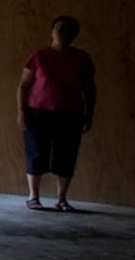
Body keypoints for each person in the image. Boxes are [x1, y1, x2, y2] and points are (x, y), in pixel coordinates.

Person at [18, 15, 97, 211]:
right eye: (57, 26)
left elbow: (89, 88)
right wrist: (21, 112)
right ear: (51, 31)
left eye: (65, 27)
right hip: (38, 111)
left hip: (70, 113)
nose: (60, 29)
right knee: (36, 152)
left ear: (73, 34)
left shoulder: (82, 58)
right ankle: (33, 196)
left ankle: (62, 198)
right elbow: (23, 85)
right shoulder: (39, 56)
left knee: (67, 153)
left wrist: (89, 113)